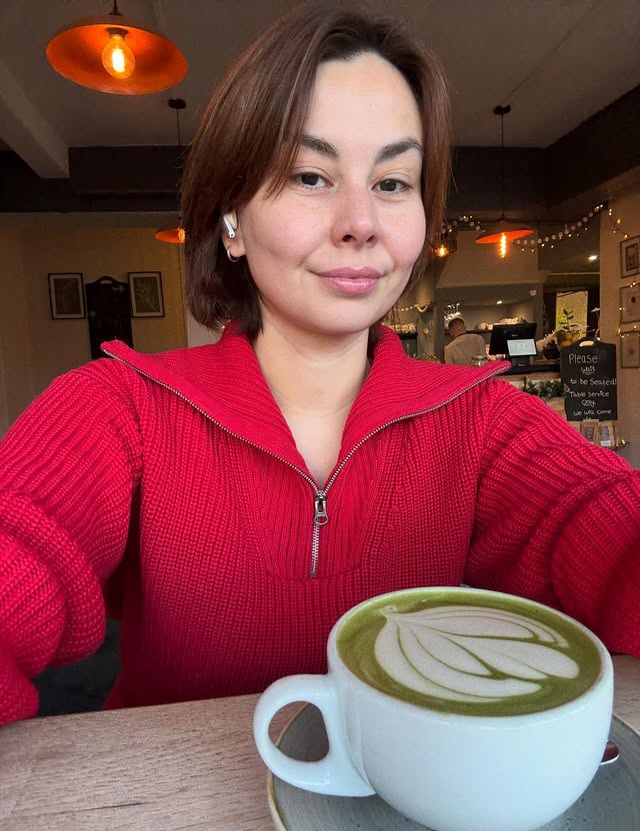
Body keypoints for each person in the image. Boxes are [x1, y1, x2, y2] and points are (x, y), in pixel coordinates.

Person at [1, 2, 639, 728]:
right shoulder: (118, 407)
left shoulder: (485, 421)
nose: (360, 222)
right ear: (231, 221)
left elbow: (611, 531)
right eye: (310, 175)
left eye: (392, 183)